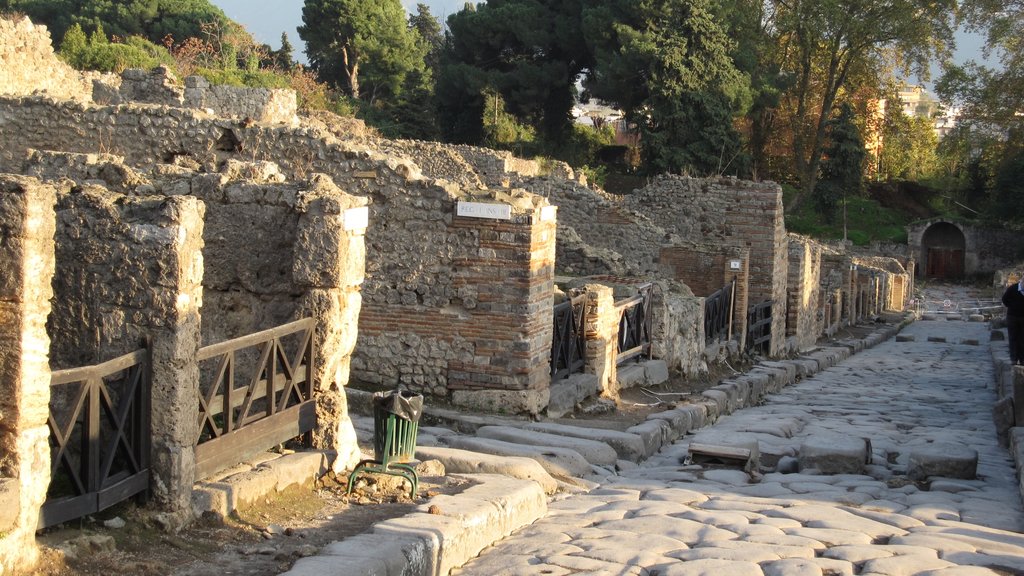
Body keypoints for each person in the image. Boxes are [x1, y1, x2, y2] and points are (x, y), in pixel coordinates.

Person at [1002, 275, 1024, 365]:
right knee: (1013, 337)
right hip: (1012, 317)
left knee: (1023, 339)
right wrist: (1012, 307)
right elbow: (1004, 299)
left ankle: (1022, 359)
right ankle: (1014, 359)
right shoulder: (1013, 288)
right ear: (1022, 281)